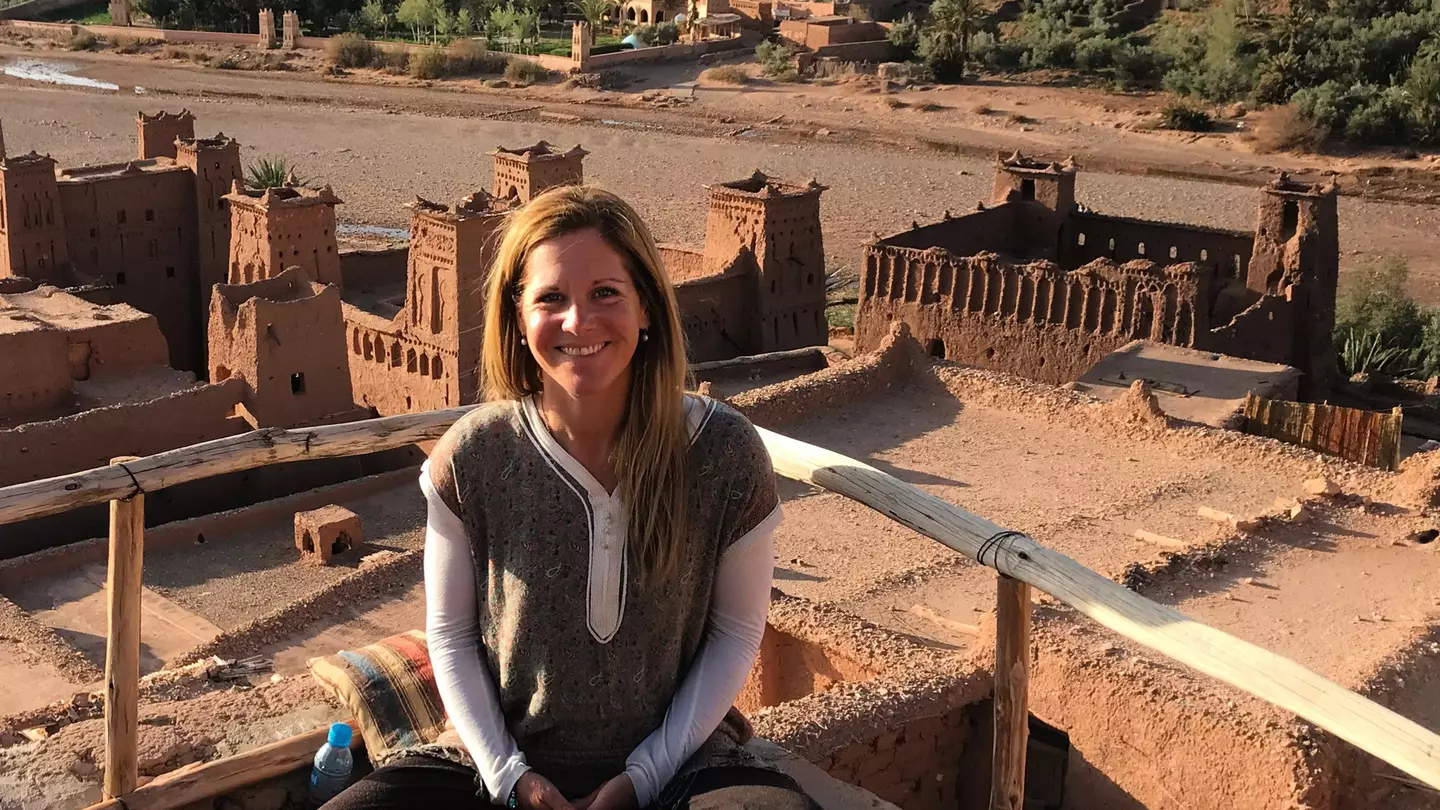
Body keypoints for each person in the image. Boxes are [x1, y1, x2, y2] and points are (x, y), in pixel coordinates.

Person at [324, 186, 819, 810]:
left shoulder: (723, 451)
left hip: (680, 761)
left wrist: (643, 777)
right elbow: (449, 635)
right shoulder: (476, 456)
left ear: (646, 309)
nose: (578, 322)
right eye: (551, 298)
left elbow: (736, 632)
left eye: (605, 293)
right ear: (519, 317)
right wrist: (511, 778)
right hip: (495, 760)